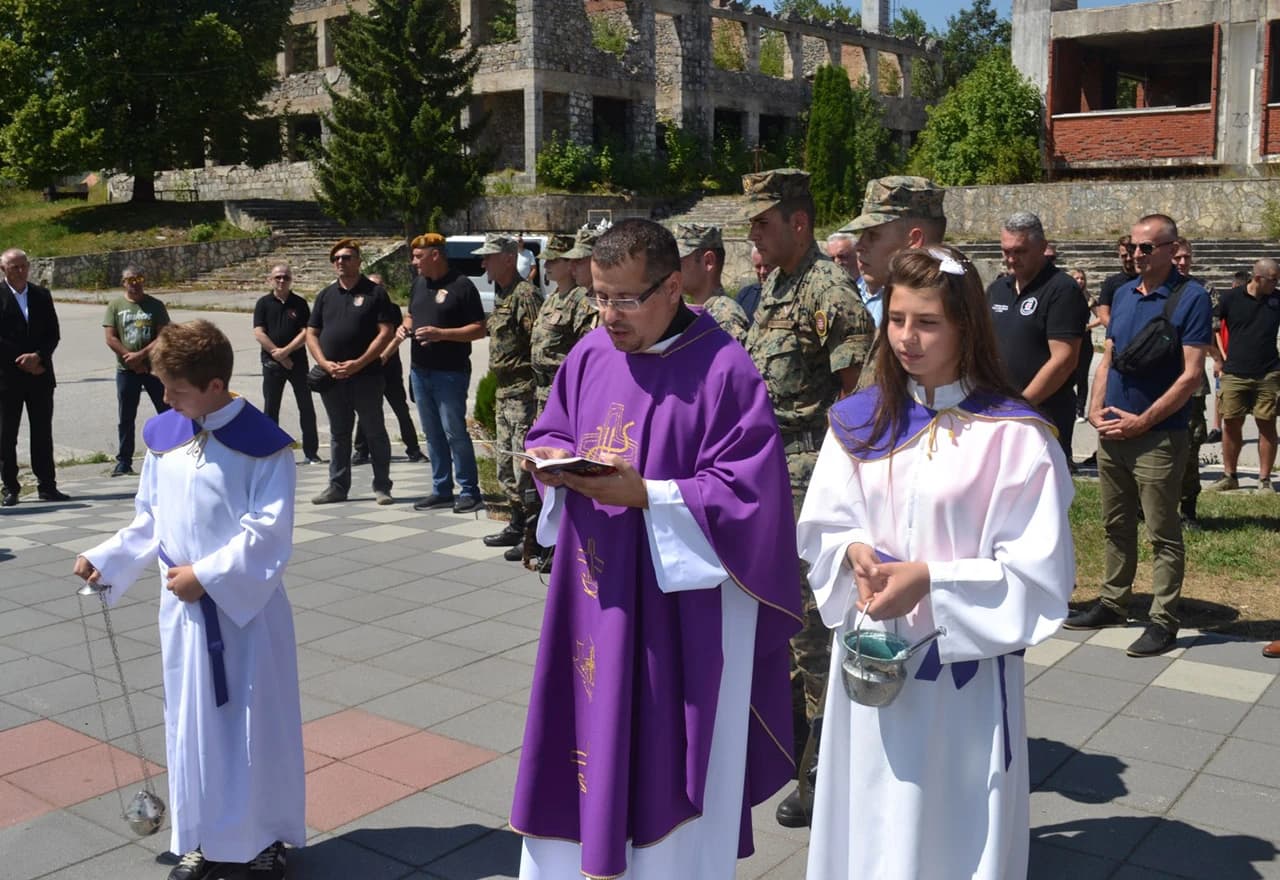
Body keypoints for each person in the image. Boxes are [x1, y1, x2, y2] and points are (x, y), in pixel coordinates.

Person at [510, 218, 801, 880]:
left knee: (662, 749)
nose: (608, 314)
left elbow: (747, 497)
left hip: (680, 618)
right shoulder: (590, 353)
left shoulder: (725, 370)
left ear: (674, 288)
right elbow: (555, 421)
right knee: (582, 722)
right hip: (594, 596)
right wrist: (547, 456)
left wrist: (649, 496)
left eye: (624, 299)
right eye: (599, 296)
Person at [797, 246, 1075, 880]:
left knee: (952, 820)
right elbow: (825, 525)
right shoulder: (860, 423)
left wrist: (931, 581)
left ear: (966, 327)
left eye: (926, 322)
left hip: (962, 679)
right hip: (873, 658)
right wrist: (853, 553)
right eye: (896, 319)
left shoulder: (1014, 437)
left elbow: (1039, 576)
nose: (905, 338)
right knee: (870, 805)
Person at [73, 320, 304, 880]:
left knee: (254, 727)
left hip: (244, 615)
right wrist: (107, 556)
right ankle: (199, 836)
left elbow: (267, 532)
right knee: (189, 725)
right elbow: (150, 518)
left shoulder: (265, 447)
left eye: (175, 389)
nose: (166, 399)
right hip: (184, 613)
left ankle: (264, 839)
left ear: (216, 385)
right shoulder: (166, 436)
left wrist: (206, 574)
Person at [742, 168, 873, 828]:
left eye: (762, 221)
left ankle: (823, 769)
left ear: (800, 221)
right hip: (770, 471)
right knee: (786, 620)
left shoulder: (828, 288)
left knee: (813, 625)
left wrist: (842, 493)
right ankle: (794, 743)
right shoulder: (775, 285)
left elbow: (856, 398)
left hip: (808, 476)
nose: (753, 233)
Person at [1067, 214, 1212, 657]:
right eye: (1133, 247)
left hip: (1158, 435)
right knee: (1115, 523)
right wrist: (1093, 407)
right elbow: (1109, 357)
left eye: (1146, 248)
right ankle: (1113, 602)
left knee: (1162, 531)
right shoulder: (1125, 295)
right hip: (1113, 430)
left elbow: (1190, 377)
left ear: (1171, 249)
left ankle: (1164, 621)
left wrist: (1143, 420)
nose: (1136, 254)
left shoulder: (1191, 298)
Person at [986, 212, 1088, 463]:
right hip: (997, 413)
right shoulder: (998, 290)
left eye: (1019, 251)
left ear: (1042, 248)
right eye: (1006, 251)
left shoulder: (1061, 289)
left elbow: (1063, 360)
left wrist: (1020, 407)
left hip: (1042, 416)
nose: (1011, 259)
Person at [306, 238, 398, 505]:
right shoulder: (325, 295)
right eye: (336, 259)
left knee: (374, 431)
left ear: (358, 261)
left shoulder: (375, 293)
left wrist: (359, 362)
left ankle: (382, 486)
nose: (341, 262)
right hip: (333, 377)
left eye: (346, 257)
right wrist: (324, 363)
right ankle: (337, 486)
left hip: (366, 376)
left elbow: (386, 333)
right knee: (339, 433)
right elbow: (311, 333)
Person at [402, 233, 486, 513]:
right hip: (420, 370)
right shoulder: (418, 284)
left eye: (418, 257)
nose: (414, 263)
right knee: (432, 433)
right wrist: (406, 325)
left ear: (435, 255)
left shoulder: (462, 286)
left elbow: (478, 328)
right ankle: (441, 489)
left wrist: (442, 334)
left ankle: (469, 490)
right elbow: (411, 314)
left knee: (454, 432)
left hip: (449, 373)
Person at [473, 234, 543, 561]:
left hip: (522, 394)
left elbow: (537, 344)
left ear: (506, 258)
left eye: (488, 257)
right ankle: (516, 523)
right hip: (503, 394)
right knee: (504, 463)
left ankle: (533, 533)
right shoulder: (502, 294)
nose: (483, 263)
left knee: (521, 465)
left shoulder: (525, 295)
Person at [0, 248, 69, 505]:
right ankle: (10, 487)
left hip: (40, 375)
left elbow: (53, 333)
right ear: (3, 269)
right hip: (8, 377)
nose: (20, 271)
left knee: (42, 432)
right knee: (6, 435)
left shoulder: (41, 295)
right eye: (14, 267)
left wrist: (38, 357)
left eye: (24, 266)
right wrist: (23, 360)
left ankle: (47, 485)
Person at [1207, 258, 1280, 493]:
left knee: (1267, 425)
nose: (1276, 284)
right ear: (1257, 278)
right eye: (1273, 280)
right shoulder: (1230, 298)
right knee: (1230, 425)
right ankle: (1229, 475)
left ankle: (1265, 480)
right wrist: (1218, 358)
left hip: (1268, 373)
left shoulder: (1277, 299)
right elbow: (1211, 327)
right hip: (1234, 373)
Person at [849, 176, 949, 338]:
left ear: (914, 240)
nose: (859, 245)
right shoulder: (883, 297)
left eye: (873, 235)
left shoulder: (948, 306)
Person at [352, 272, 425, 466]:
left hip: (390, 367)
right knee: (366, 411)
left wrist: (385, 355)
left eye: (380, 285)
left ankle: (414, 450)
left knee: (401, 409)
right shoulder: (361, 308)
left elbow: (397, 335)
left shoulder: (392, 309)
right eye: (373, 285)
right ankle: (361, 451)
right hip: (368, 367)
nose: (377, 289)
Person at [104, 264, 170, 477]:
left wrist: (141, 356)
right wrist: (129, 358)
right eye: (131, 280)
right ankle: (124, 461)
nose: (135, 283)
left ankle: (171, 452)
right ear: (123, 283)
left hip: (153, 369)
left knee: (167, 411)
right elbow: (111, 337)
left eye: (139, 279)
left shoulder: (155, 305)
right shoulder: (116, 306)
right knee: (126, 416)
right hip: (126, 370)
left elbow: (163, 336)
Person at [252, 264, 321, 465]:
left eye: (286, 277)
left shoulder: (299, 303)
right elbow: (258, 332)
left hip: (297, 363)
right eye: (278, 277)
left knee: (306, 407)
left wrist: (287, 351)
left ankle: (311, 452)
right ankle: (271, 451)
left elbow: (306, 332)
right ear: (270, 280)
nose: (282, 281)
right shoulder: (263, 303)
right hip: (272, 364)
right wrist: (278, 354)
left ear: (291, 280)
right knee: (271, 408)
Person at [1170, 240, 1212, 525]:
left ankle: (1188, 509)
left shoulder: (1201, 290)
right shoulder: (1150, 288)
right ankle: (1144, 506)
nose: (1183, 262)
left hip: (1192, 380)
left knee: (1190, 445)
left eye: (1187, 257)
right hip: (1157, 378)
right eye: (1177, 258)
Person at [675, 223, 749, 343]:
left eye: (680, 261)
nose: (674, 268)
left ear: (708, 262)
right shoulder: (701, 311)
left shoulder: (724, 317)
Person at [1070, 267, 1102, 424]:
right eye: (1076, 278)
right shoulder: (1064, 295)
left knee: (1082, 375)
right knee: (1068, 375)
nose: (1080, 281)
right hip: (1068, 340)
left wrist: (1088, 326)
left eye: (1082, 278)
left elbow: (1101, 317)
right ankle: (1068, 405)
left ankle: (1080, 409)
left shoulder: (1089, 297)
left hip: (1084, 340)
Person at [1096, 234, 1138, 327]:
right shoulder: (1110, 283)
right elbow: (1104, 315)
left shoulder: (1147, 280)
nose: (1128, 258)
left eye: (1131, 254)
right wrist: (1118, 331)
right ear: (1119, 255)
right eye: (1124, 255)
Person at [734, 246, 772, 325]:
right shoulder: (744, 295)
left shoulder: (785, 294)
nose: (762, 272)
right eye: (758, 267)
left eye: (767, 266)